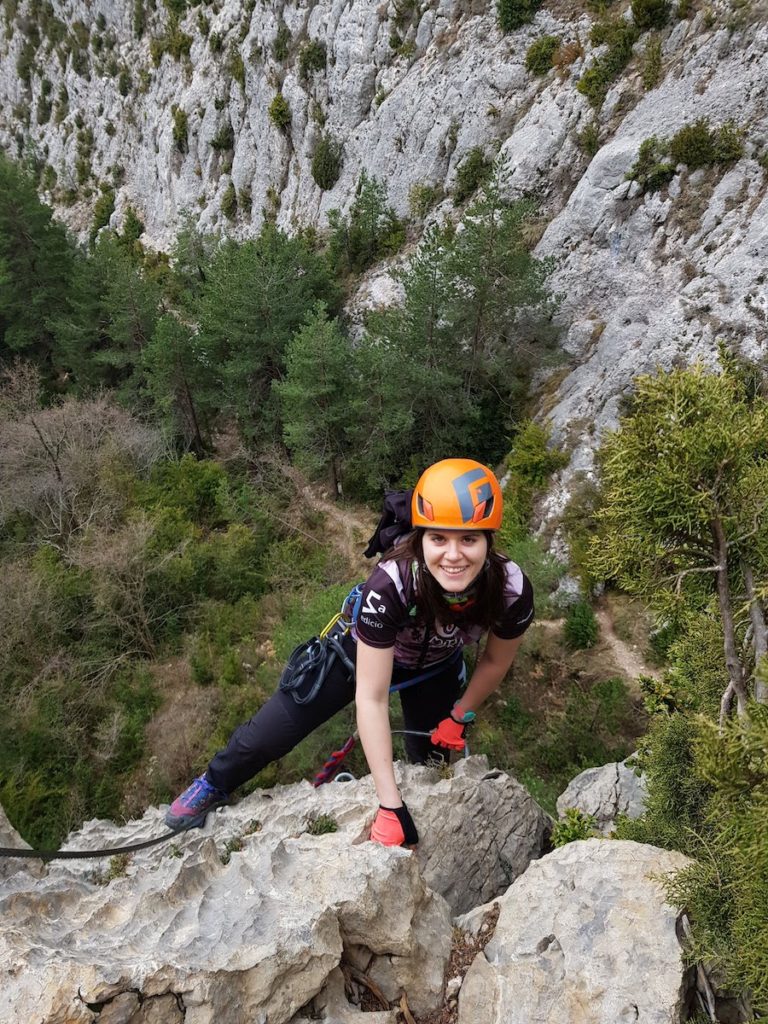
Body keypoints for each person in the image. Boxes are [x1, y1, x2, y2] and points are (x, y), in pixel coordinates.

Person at [165, 458, 534, 846]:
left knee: (431, 759)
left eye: (469, 539)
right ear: (420, 537)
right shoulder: (390, 584)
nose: (453, 555)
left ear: (489, 541)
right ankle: (213, 782)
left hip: (437, 667)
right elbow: (371, 699)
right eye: (438, 539)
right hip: (363, 653)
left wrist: (460, 715)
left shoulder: (510, 590)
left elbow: (495, 661)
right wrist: (390, 806)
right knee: (272, 731)